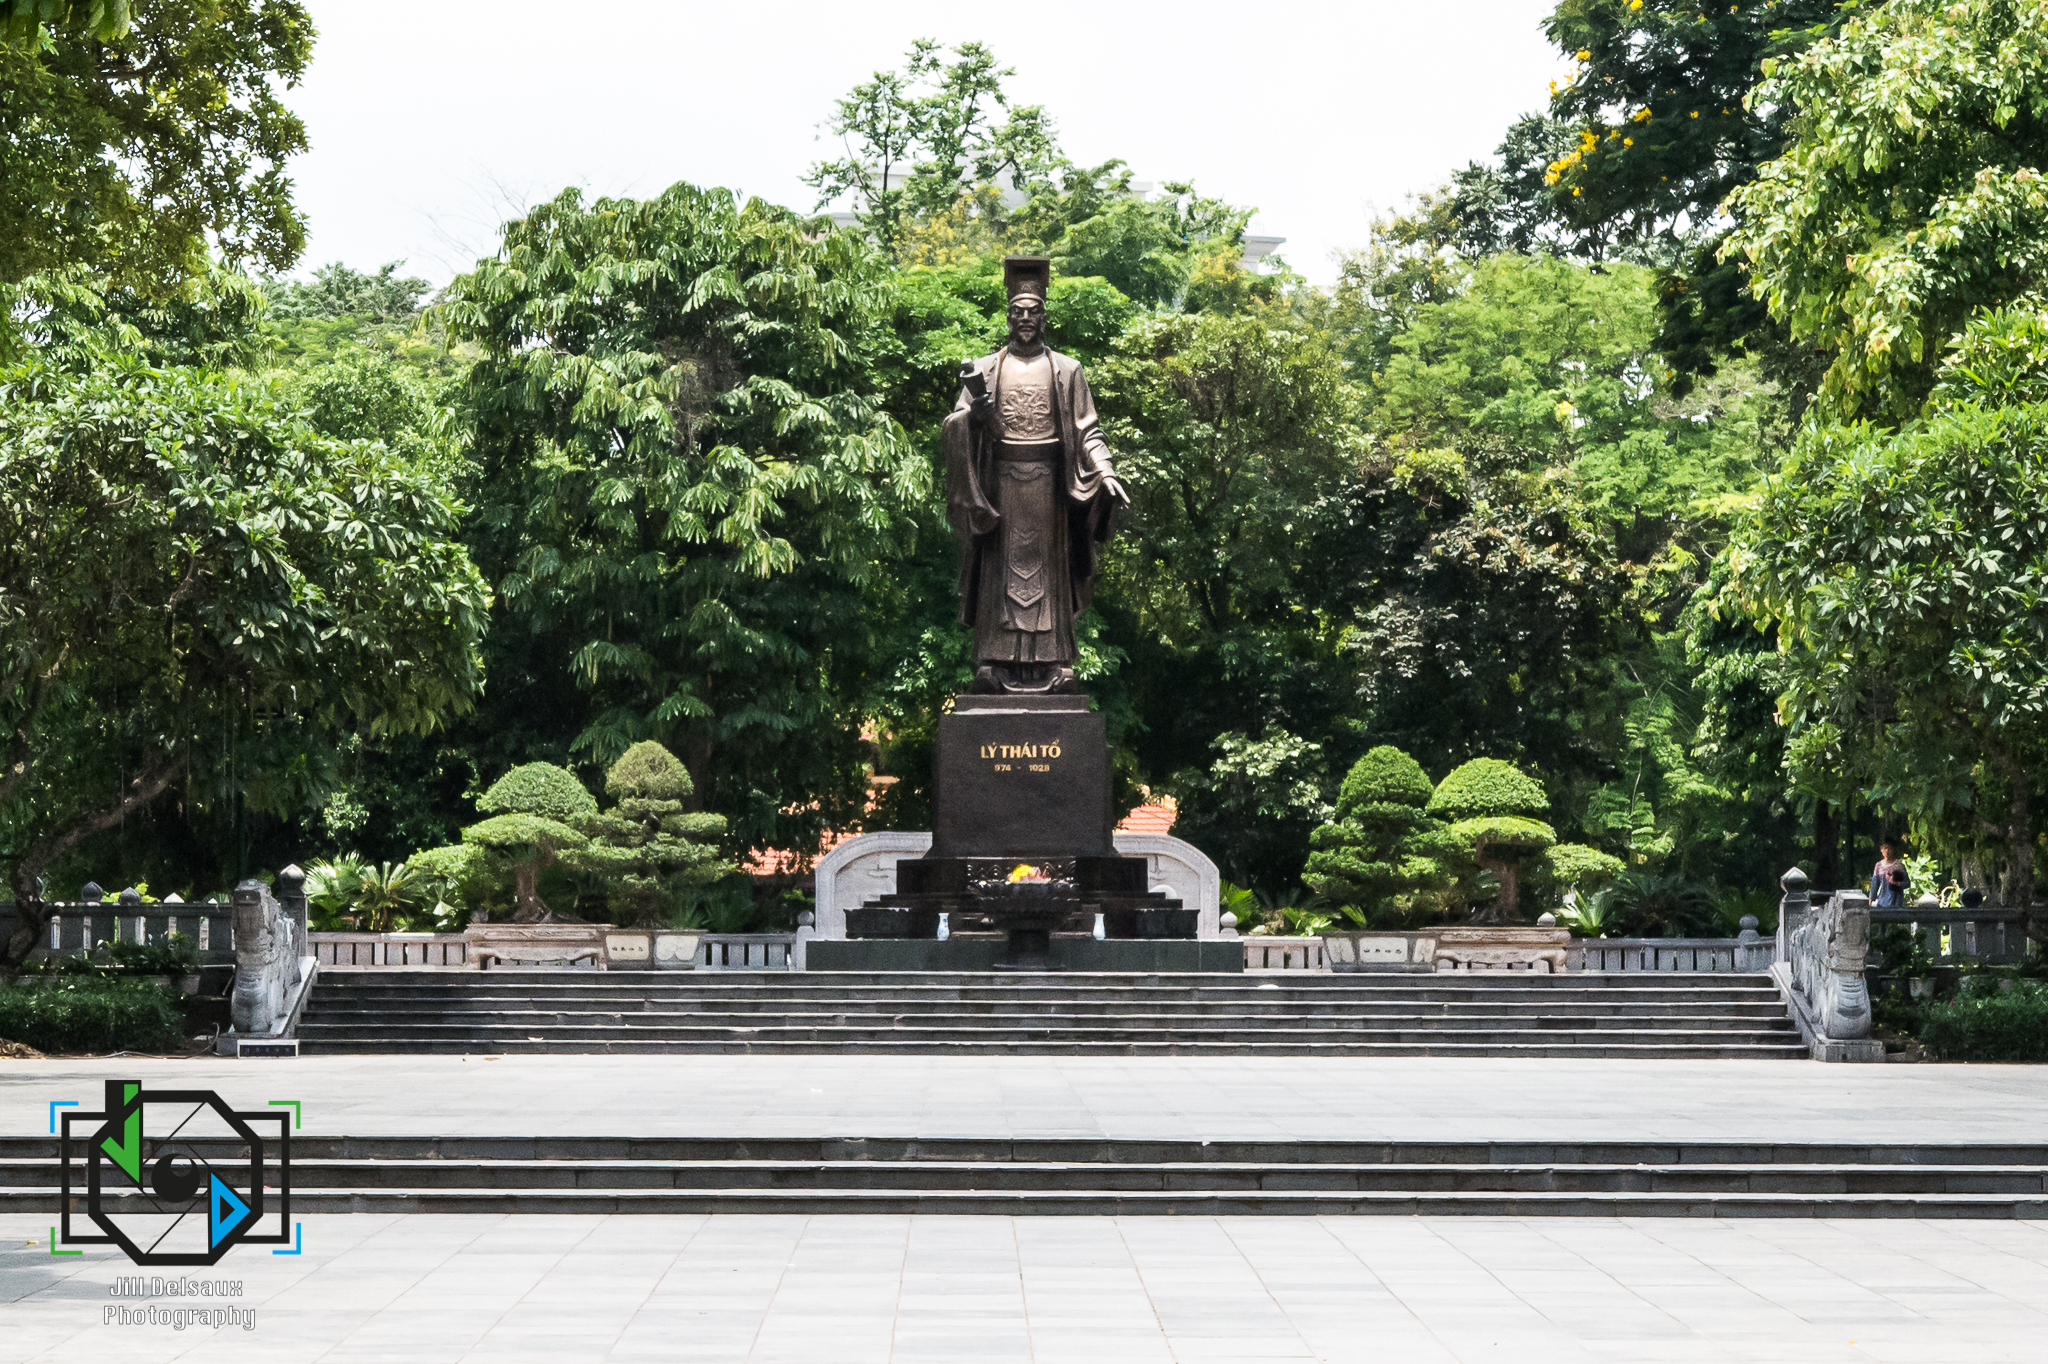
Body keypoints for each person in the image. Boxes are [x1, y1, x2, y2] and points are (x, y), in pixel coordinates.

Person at [943, 256, 1129, 694]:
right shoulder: (987, 369)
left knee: (1047, 571)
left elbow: (1087, 431)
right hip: (1000, 488)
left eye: (1033, 311)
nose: (1025, 319)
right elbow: (954, 422)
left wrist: (1105, 471)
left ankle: (1054, 661)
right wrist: (975, 417)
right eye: (1018, 311)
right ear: (1008, 317)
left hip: (1050, 488)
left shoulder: (1067, 370)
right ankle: (994, 661)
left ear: (1044, 317)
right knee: (1001, 571)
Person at [1869, 840, 1908, 908]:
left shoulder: (1899, 865)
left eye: (1890, 848)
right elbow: (1875, 883)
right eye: (1885, 848)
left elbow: (1907, 883)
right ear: (1881, 850)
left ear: (1893, 850)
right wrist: (1871, 898)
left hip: (1896, 901)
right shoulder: (1878, 865)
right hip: (1882, 901)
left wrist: (1896, 883)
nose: (1887, 851)